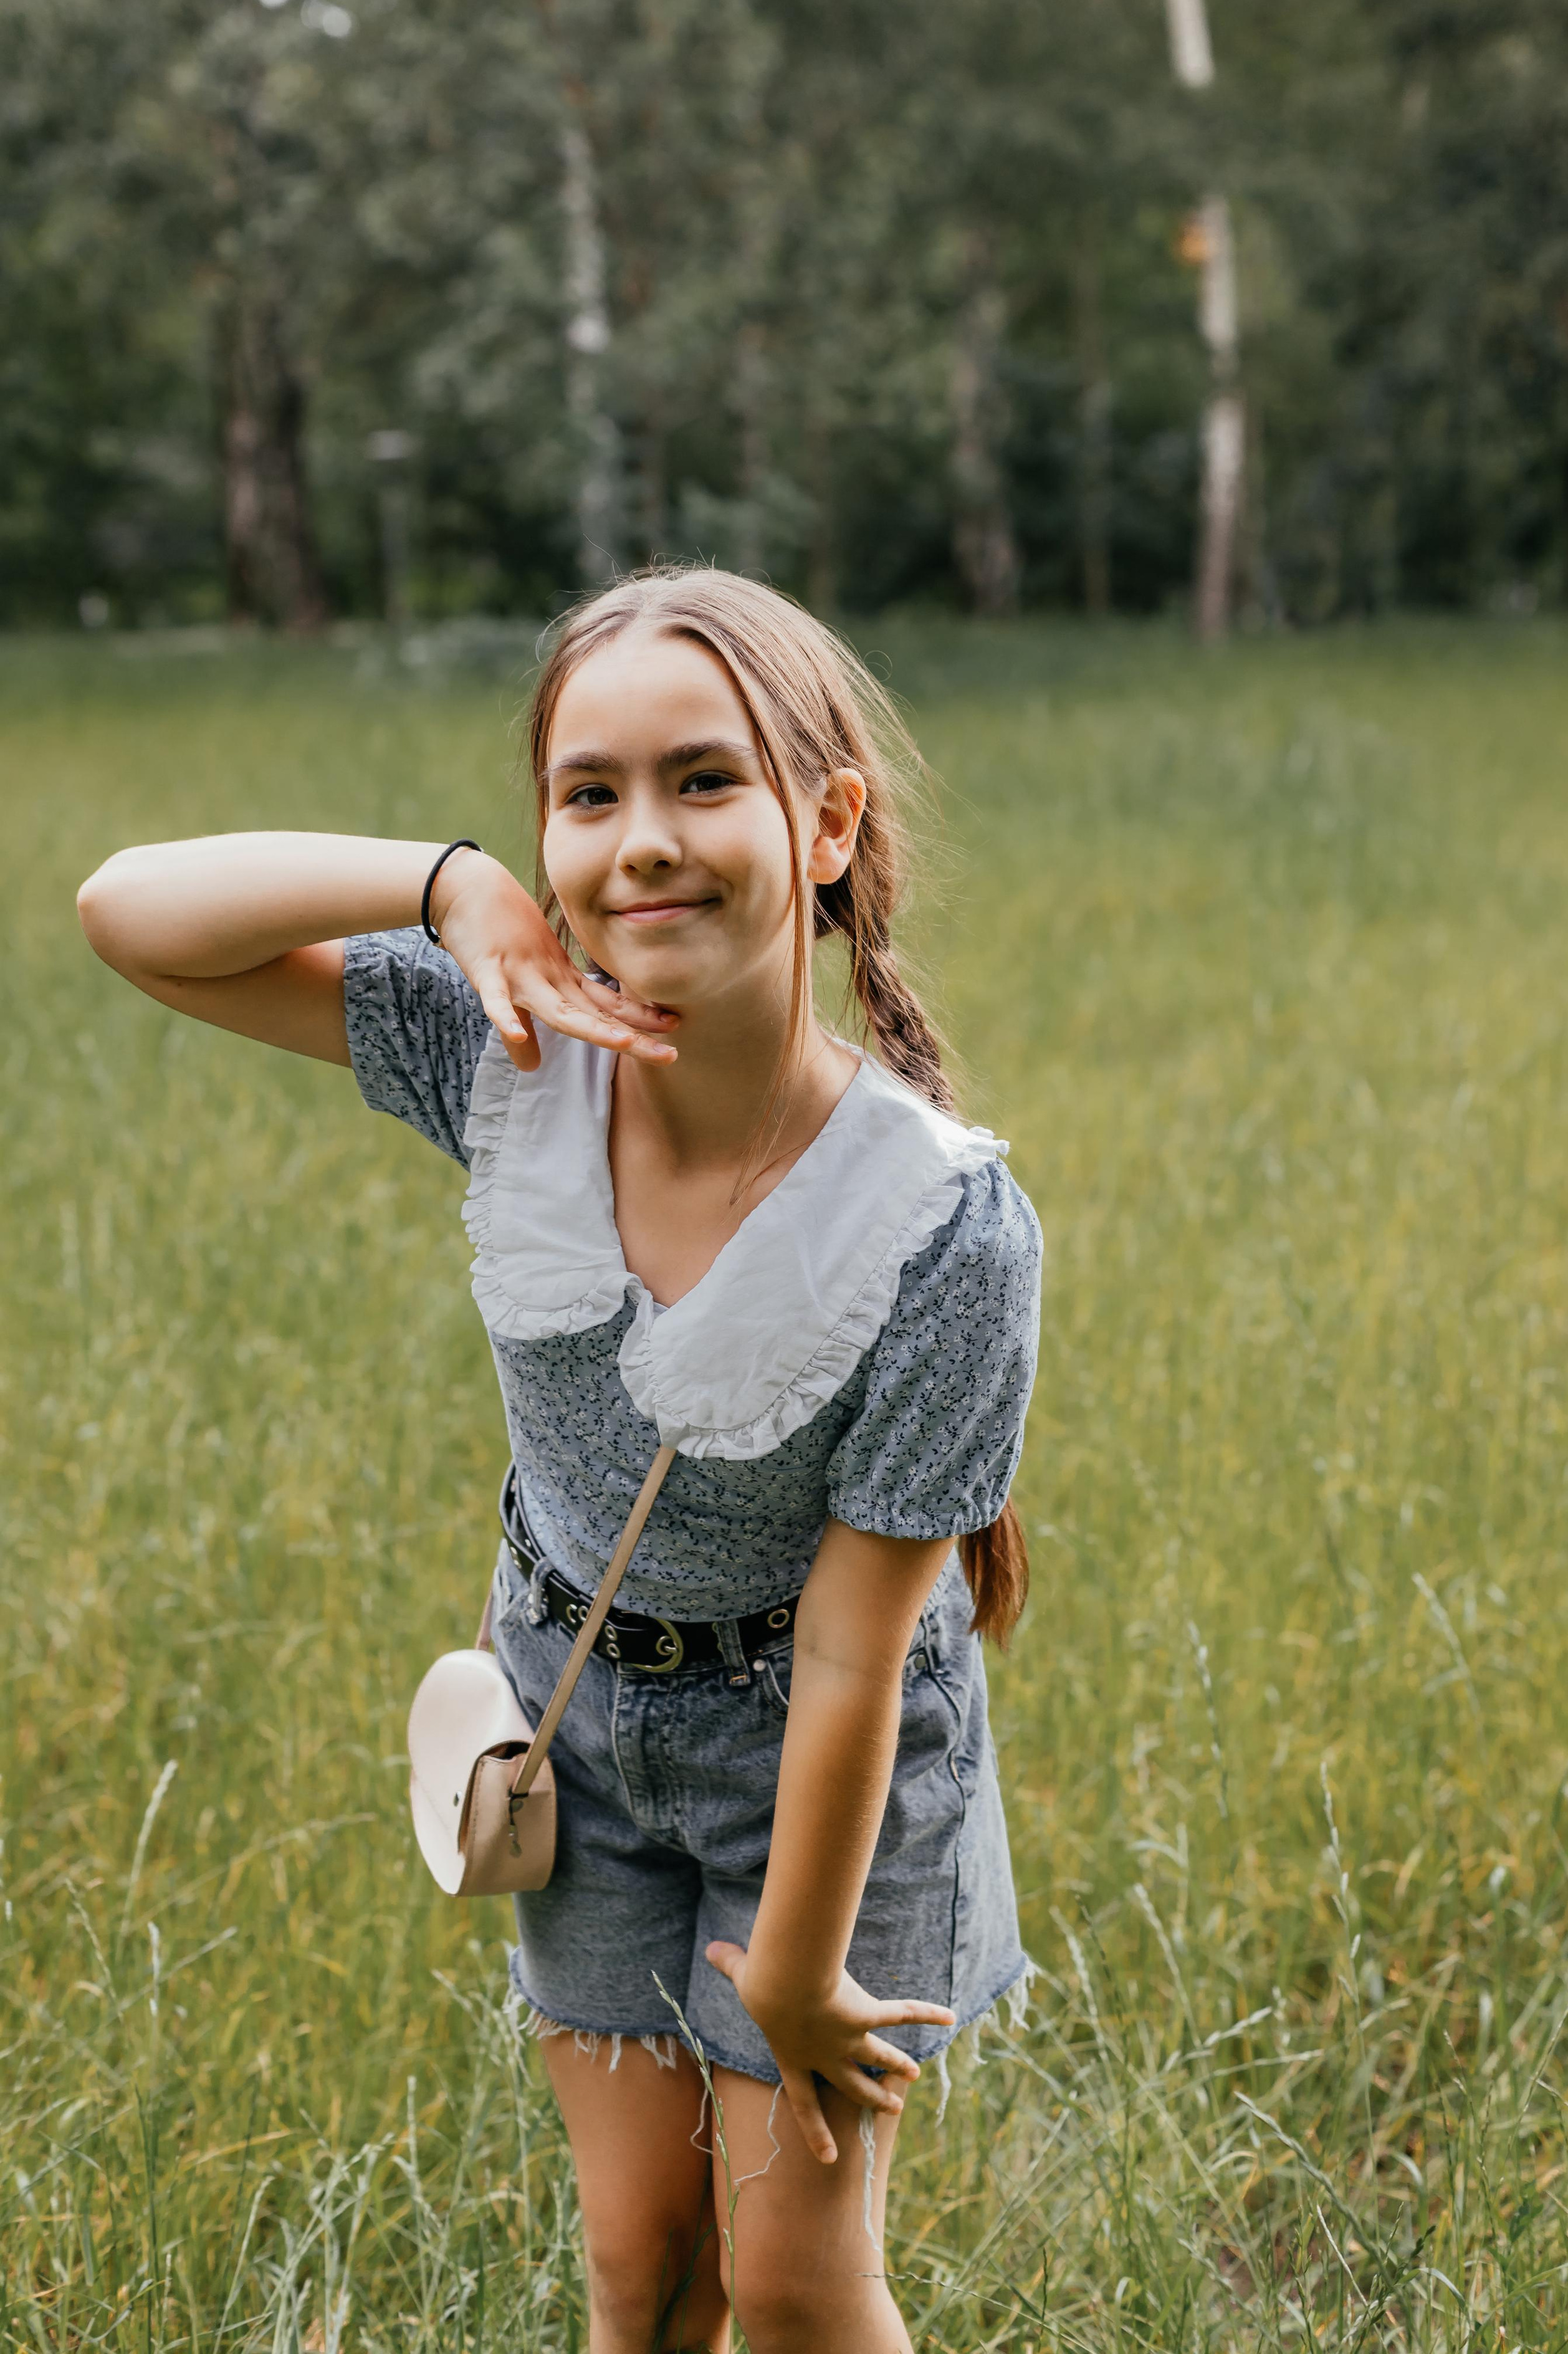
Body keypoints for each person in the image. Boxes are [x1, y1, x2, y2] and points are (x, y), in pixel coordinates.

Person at [76, 565, 1043, 2354]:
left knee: (798, 2284)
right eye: (587, 795)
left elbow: (850, 1649)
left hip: (819, 1775)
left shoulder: (942, 1224)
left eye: (703, 780)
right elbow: (131, 913)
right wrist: (446, 887)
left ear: (827, 823)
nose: (642, 844)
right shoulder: (503, 1049)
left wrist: (805, 1977)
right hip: (578, 1722)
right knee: (638, 2267)